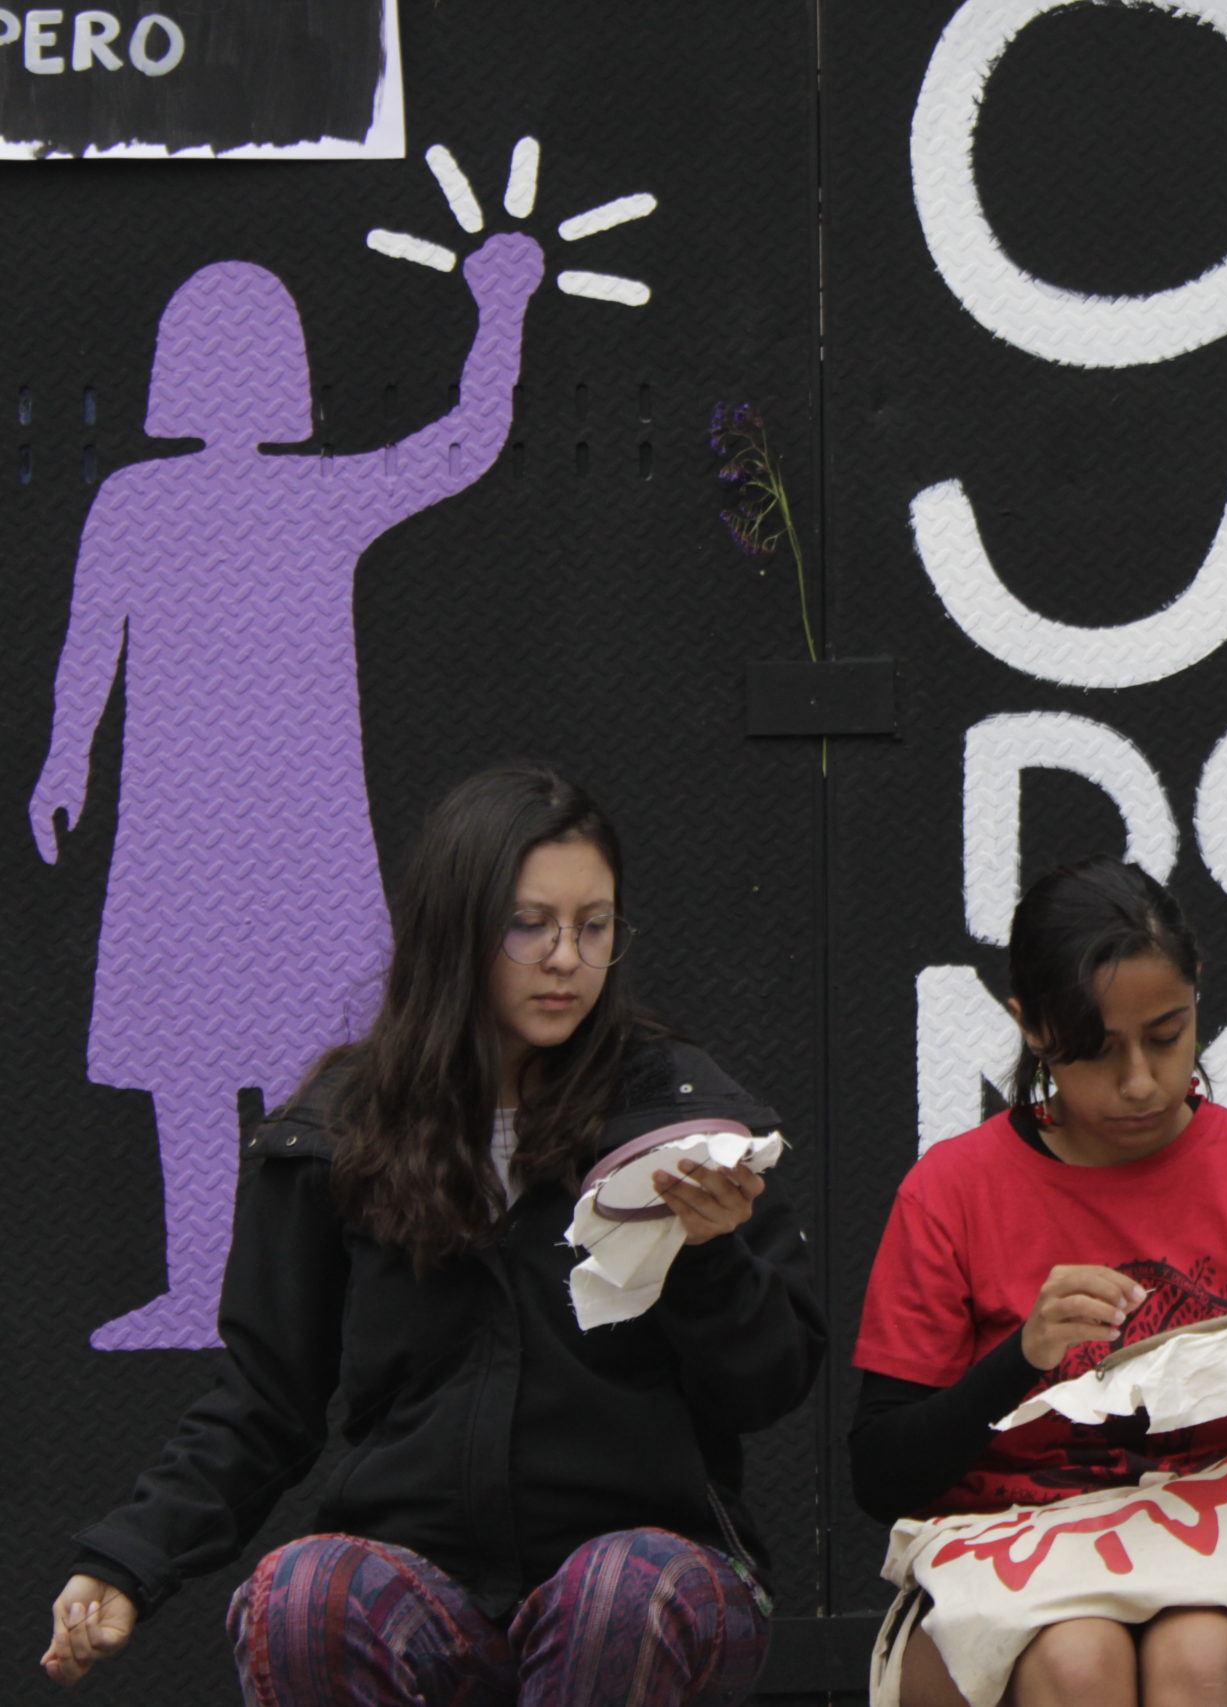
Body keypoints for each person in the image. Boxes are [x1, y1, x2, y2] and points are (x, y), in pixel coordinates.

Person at [38, 762, 824, 1704]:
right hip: (423, 1584)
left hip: (657, 1575)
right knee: (303, 1594)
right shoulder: (339, 1126)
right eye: (528, 923)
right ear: (454, 930)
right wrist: (127, 1561)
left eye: (594, 924)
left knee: (616, 1593)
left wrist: (712, 1258)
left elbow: (770, 1382)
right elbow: (263, 1403)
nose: (565, 955)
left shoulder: (678, 1110)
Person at [26, 231, 542, 1350]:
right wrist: (65, 758)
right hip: (192, 828)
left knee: (299, 1069)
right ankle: (207, 1292)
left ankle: (303, 1291)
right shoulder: (160, 503)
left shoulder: (292, 498)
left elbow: (463, 445)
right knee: (199, 1064)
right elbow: (90, 646)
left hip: (284, 828)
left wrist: (502, 310)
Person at [851, 859, 1227, 1707]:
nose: (1139, 1081)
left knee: (1202, 1658)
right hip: (1009, 1552)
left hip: (1206, 1557)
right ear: (1031, 1027)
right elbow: (880, 1475)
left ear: (1199, 995)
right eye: (1097, 1051)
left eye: (1166, 1036)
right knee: (1078, 1660)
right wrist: (1022, 1356)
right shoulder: (952, 1189)